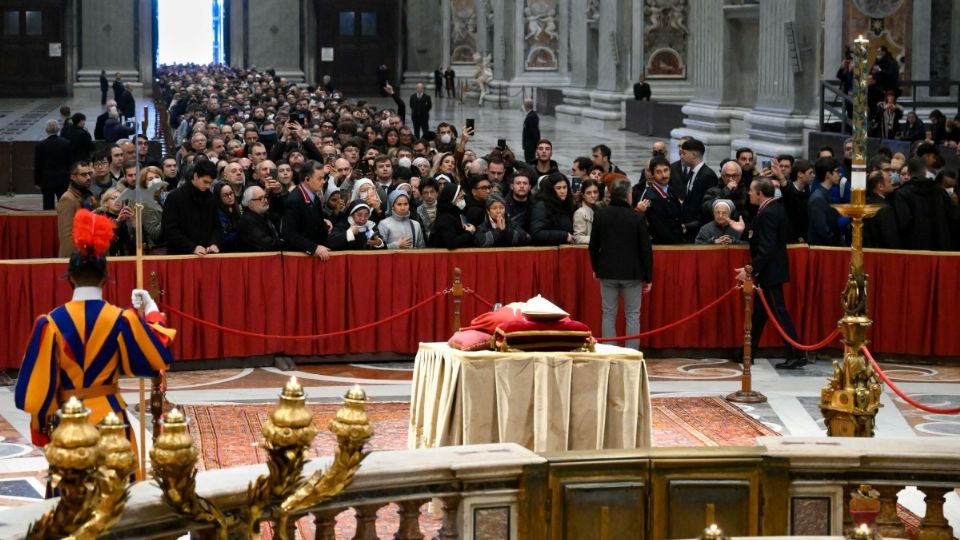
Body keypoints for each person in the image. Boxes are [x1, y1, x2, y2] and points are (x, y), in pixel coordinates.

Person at [15, 209, 175, 476]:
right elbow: (156, 357)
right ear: (105, 279)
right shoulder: (122, 319)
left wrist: (42, 426)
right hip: (113, 419)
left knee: (71, 497)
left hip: (69, 423)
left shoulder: (49, 324)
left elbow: (35, 394)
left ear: (71, 279)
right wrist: (151, 310)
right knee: (121, 494)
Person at [734, 177, 806, 369]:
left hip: (771, 273)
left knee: (778, 313)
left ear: (760, 193)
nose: (748, 193)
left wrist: (750, 270)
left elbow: (766, 248)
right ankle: (747, 351)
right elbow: (758, 235)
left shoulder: (769, 212)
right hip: (769, 271)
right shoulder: (769, 209)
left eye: (751, 190)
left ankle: (797, 353)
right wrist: (744, 230)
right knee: (759, 313)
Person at [588, 179, 653, 350]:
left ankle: (610, 352)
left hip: (607, 271)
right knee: (632, 315)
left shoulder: (601, 214)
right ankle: (631, 353)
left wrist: (595, 267)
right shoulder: (637, 217)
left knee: (608, 314)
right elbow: (645, 249)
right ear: (628, 195)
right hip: (632, 273)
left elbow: (593, 245)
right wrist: (648, 276)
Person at [160, 159, 222, 255]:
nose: (208, 186)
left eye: (210, 182)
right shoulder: (175, 197)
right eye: (205, 182)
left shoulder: (210, 197)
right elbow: (169, 230)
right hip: (180, 255)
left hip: (206, 254)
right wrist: (191, 247)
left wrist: (214, 243)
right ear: (196, 176)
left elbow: (217, 227)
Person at [282, 160, 333, 260]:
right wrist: (314, 248)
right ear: (307, 179)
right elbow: (289, 234)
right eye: (320, 178)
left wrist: (323, 220)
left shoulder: (314, 196)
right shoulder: (294, 200)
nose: (323, 181)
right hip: (299, 257)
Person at [57, 161, 98, 257]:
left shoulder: (88, 195)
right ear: (73, 177)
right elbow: (66, 236)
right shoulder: (67, 199)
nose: (88, 178)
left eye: (89, 174)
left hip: (89, 253)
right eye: (84, 175)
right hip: (75, 258)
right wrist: (76, 259)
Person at [35, 120, 73, 210]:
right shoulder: (66, 143)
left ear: (46, 130)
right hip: (63, 178)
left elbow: (38, 165)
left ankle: (48, 223)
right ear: (58, 129)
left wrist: (37, 181)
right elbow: (70, 162)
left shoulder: (40, 145)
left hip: (47, 180)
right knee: (64, 205)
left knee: (48, 206)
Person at [530, 172, 575, 245]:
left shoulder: (565, 204)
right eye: (558, 188)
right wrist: (564, 236)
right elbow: (536, 233)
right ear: (551, 189)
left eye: (565, 187)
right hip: (547, 252)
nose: (562, 191)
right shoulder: (541, 206)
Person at [430, 183, 475, 249]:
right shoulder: (445, 218)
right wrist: (469, 233)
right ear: (452, 199)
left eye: (463, 197)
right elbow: (451, 243)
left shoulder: (457, 213)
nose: (463, 200)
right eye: (461, 197)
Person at [238, 186, 282, 252]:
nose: (265, 200)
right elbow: (266, 245)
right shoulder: (247, 221)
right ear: (250, 203)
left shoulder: (264, 214)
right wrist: (286, 244)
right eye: (260, 198)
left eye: (265, 197)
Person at [214, 182, 242, 252]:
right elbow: (224, 237)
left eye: (231, 193)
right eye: (225, 195)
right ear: (219, 197)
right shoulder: (218, 213)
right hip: (225, 251)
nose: (230, 197)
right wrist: (243, 231)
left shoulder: (237, 207)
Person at [572, 178, 601, 244]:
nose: (593, 195)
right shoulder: (579, 213)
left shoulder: (601, 209)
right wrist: (599, 238)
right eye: (589, 193)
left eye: (595, 192)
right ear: (583, 195)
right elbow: (578, 238)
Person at [522, 99, 540, 163]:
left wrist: (537, 144)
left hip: (530, 145)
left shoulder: (531, 116)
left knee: (530, 161)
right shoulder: (530, 115)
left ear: (526, 106)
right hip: (528, 145)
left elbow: (534, 132)